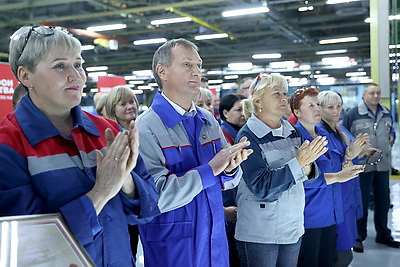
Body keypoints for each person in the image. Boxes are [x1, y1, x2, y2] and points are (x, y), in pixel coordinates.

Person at [0, 25, 159, 267]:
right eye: (60, 66)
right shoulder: (8, 144)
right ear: (25, 76)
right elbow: (29, 249)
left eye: (79, 64)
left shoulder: (108, 131)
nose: (76, 75)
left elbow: (149, 209)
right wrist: (100, 193)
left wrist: (125, 180)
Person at [135, 38, 253, 267]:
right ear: (162, 72)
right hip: (174, 248)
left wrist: (231, 169)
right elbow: (154, 196)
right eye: (187, 65)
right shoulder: (146, 127)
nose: (197, 72)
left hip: (214, 242)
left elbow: (227, 181)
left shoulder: (207, 120)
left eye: (198, 65)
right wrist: (211, 169)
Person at [235, 73, 328, 267]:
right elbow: (260, 186)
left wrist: (308, 165)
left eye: (284, 93)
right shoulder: (248, 136)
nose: (283, 98)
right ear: (258, 101)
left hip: (292, 225)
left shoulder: (292, 130)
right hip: (260, 231)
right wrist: (299, 163)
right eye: (276, 94)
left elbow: (309, 176)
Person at [289, 88, 365, 267]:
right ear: (297, 112)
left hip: (331, 212)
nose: (317, 109)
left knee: (329, 261)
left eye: (317, 105)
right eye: (311, 105)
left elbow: (333, 165)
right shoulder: (295, 137)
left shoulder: (324, 135)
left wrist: (347, 160)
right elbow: (300, 179)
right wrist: (338, 176)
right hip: (310, 215)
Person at [318, 90, 377, 266]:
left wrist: (364, 150)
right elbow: (331, 167)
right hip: (334, 199)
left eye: (339, 106)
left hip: (348, 197)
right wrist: (352, 154)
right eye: (331, 107)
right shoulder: (320, 133)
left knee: (345, 250)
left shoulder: (340, 129)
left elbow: (351, 153)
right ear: (319, 109)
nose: (337, 111)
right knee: (339, 253)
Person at [343, 83, 400, 252]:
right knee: (360, 202)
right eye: (372, 93)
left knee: (383, 201)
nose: (375, 96)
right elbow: (345, 135)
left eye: (378, 93)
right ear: (364, 95)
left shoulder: (385, 112)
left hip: (382, 165)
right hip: (362, 166)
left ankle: (383, 234)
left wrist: (391, 138)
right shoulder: (353, 114)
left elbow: (392, 131)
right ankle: (359, 236)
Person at [104, 84, 141, 260]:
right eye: (122, 104)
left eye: (131, 101)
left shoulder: (144, 129)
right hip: (123, 205)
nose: (129, 106)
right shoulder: (110, 136)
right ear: (113, 109)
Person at [218, 93, 246, 267]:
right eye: (238, 109)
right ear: (225, 113)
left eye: (245, 108)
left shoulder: (241, 134)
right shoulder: (223, 136)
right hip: (229, 201)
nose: (243, 113)